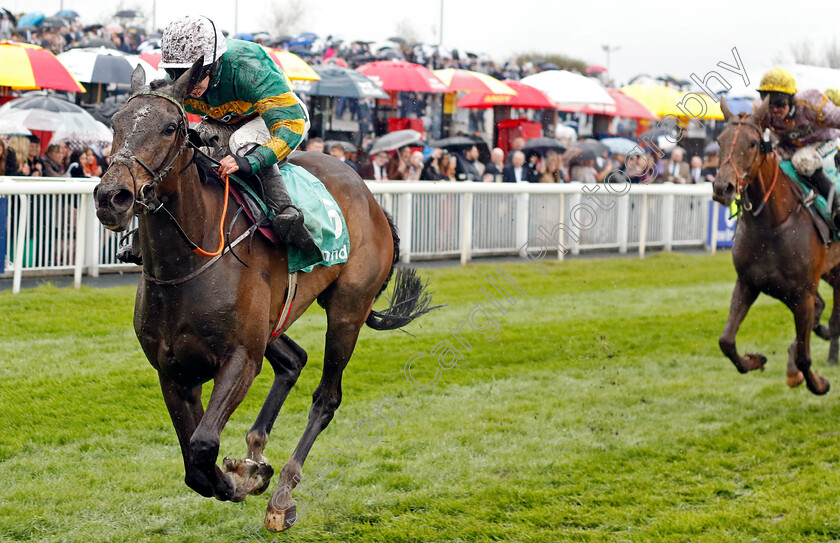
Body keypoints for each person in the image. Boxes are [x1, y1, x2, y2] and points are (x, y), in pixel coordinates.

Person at [159, 15, 318, 257]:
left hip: (278, 118)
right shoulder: (176, 80)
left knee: (240, 143)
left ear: (213, 65)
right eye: (179, 74)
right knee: (188, 147)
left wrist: (249, 161)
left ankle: (287, 215)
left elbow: (290, 125)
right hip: (224, 121)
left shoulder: (248, 67)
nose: (189, 86)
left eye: (195, 75)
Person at [758, 67, 840, 225]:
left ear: (791, 99)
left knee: (802, 160)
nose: (774, 109)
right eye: (769, 102)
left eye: (780, 103)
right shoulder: (761, 111)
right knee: (768, 161)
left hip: (825, 143)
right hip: (790, 147)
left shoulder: (811, 102)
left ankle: (837, 205)